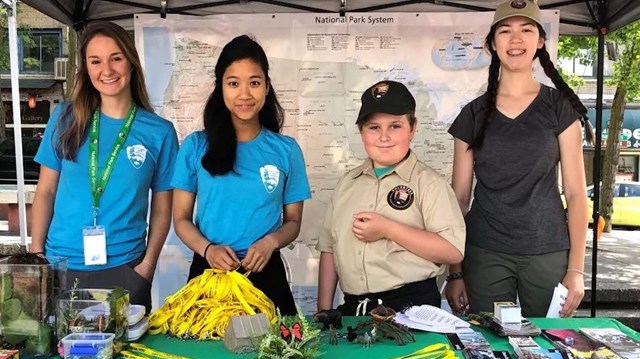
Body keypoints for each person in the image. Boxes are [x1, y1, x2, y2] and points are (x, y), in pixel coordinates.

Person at [445, 0, 592, 318]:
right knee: (488, 344)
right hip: (484, 253)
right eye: (505, 30)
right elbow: (458, 200)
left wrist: (577, 270)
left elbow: (578, 194)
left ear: (540, 41)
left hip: (548, 252)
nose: (516, 39)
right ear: (492, 43)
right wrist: (455, 272)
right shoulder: (472, 113)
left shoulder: (559, 108)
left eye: (526, 30)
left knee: (549, 344)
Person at [30, 21, 179, 313]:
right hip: (60, 265)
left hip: (125, 268)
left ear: (132, 63)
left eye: (116, 58)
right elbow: (45, 190)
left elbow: (162, 208)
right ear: (86, 68)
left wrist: (146, 267)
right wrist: (38, 259)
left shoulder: (159, 132)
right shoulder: (65, 118)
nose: (106, 70)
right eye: (95, 61)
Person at [171, 35, 311, 316]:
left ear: (267, 87)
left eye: (254, 83)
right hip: (210, 273)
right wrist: (208, 250)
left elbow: (293, 221)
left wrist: (270, 241)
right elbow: (181, 219)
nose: (244, 94)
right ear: (220, 87)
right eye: (233, 83)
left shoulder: (286, 150)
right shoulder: (195, 146)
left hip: (265, 273)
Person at [317, 80, 466, 315]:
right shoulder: (347, 184)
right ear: (361, 132)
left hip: (413, 309)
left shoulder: (429, 184)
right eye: (373, 127)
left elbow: (452, 250)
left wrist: (388, 229)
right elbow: (329, 249)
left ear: (413, 127)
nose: (384, 136)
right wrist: (324, 310)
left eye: (395, 126)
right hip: (355, 308)